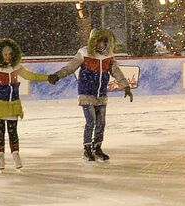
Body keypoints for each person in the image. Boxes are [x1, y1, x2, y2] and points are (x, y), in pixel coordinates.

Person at [47, 28, 134, 162]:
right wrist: (57, 76)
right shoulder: (84, 53)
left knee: (101, 123)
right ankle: (87, 149)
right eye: (99, 41)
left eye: (104, 42)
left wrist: (126, 87)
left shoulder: (108, 56)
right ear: (93, 41)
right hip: (86, 93)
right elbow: (70, 67)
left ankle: (97, 147)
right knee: (91, 121)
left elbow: (116, 72)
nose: (101, 45)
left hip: (101, 94)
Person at [0, 38, 52, 170]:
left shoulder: (16, 67)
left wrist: (48, 78)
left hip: (13, 103)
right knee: (0, 132)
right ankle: (0, 158)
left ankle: (16, 155)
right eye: (5, 54)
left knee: (13, 132)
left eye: (10, 54)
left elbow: (31, 76)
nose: (8, 57)